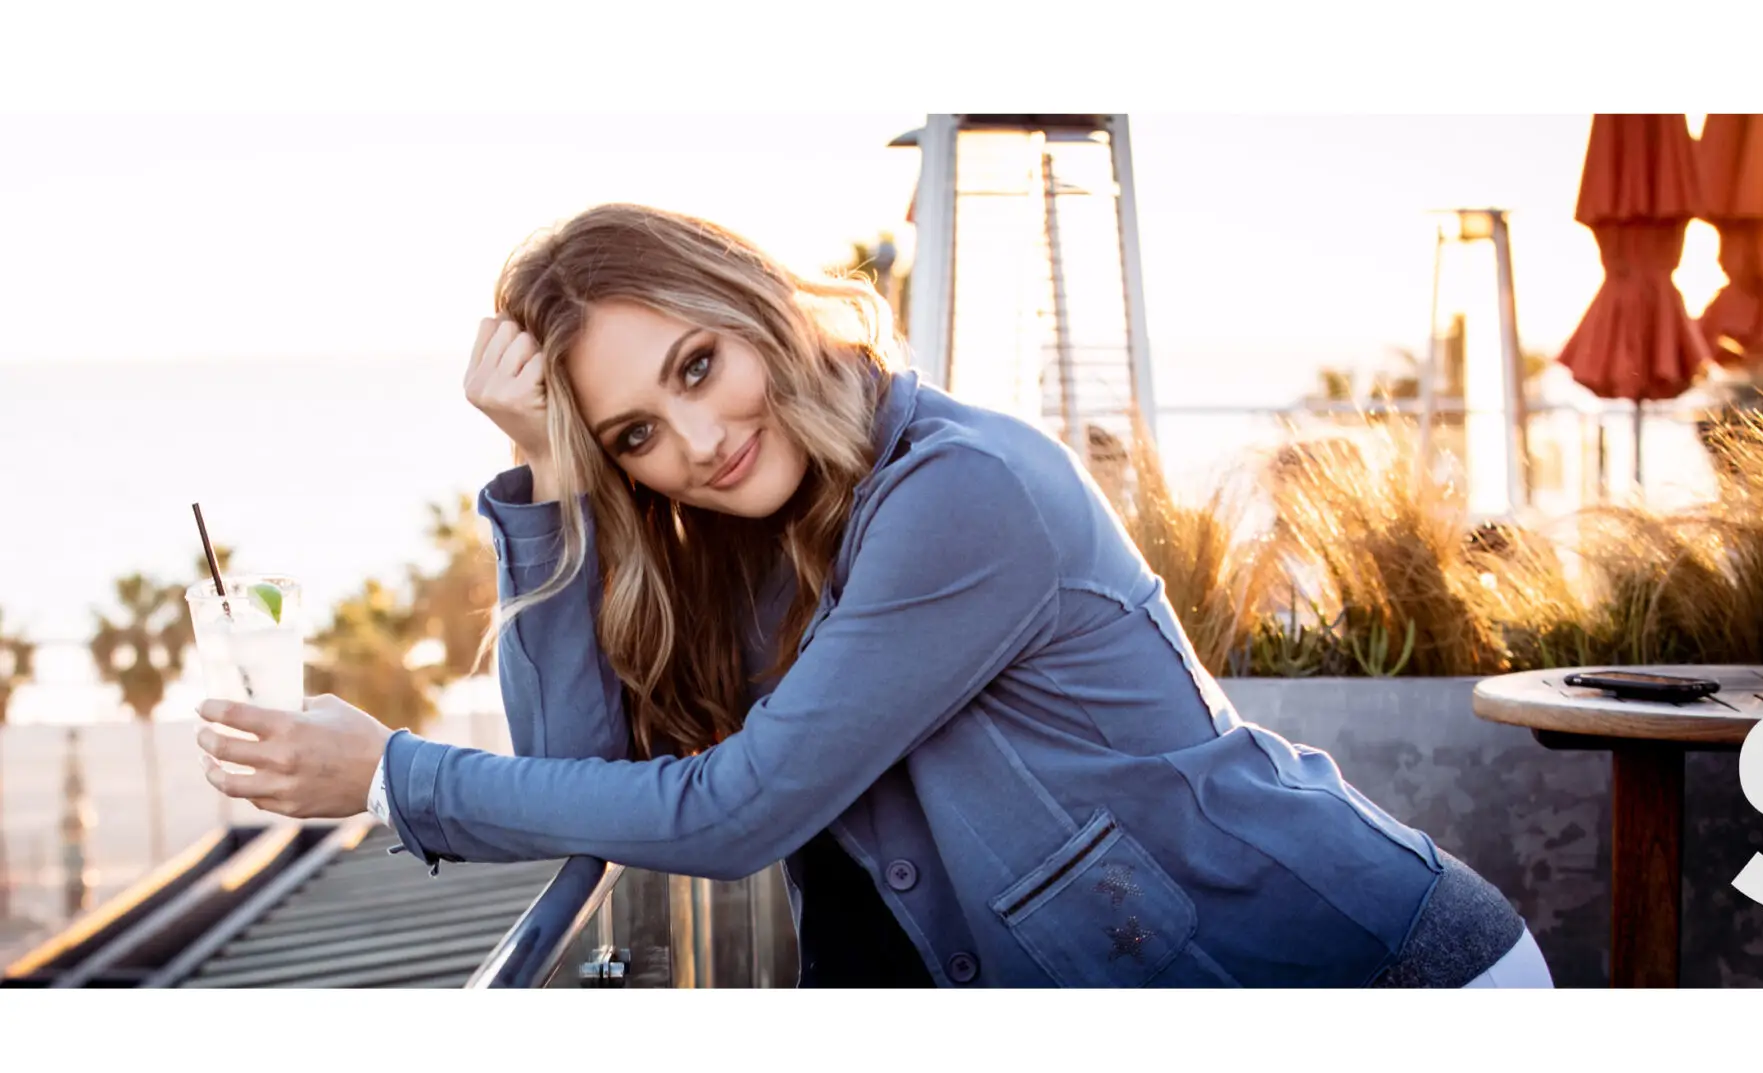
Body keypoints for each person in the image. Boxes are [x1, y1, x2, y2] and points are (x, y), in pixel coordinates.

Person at [196, 202, 1553, 989]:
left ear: (753, 304)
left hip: (1371, 983)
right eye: (632, 438)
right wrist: (546, 482)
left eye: (695, 365)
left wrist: (390, 779)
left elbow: (736, 815)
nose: (697, 439)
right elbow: (583, 776)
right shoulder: (737, 538)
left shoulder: (962, 495)